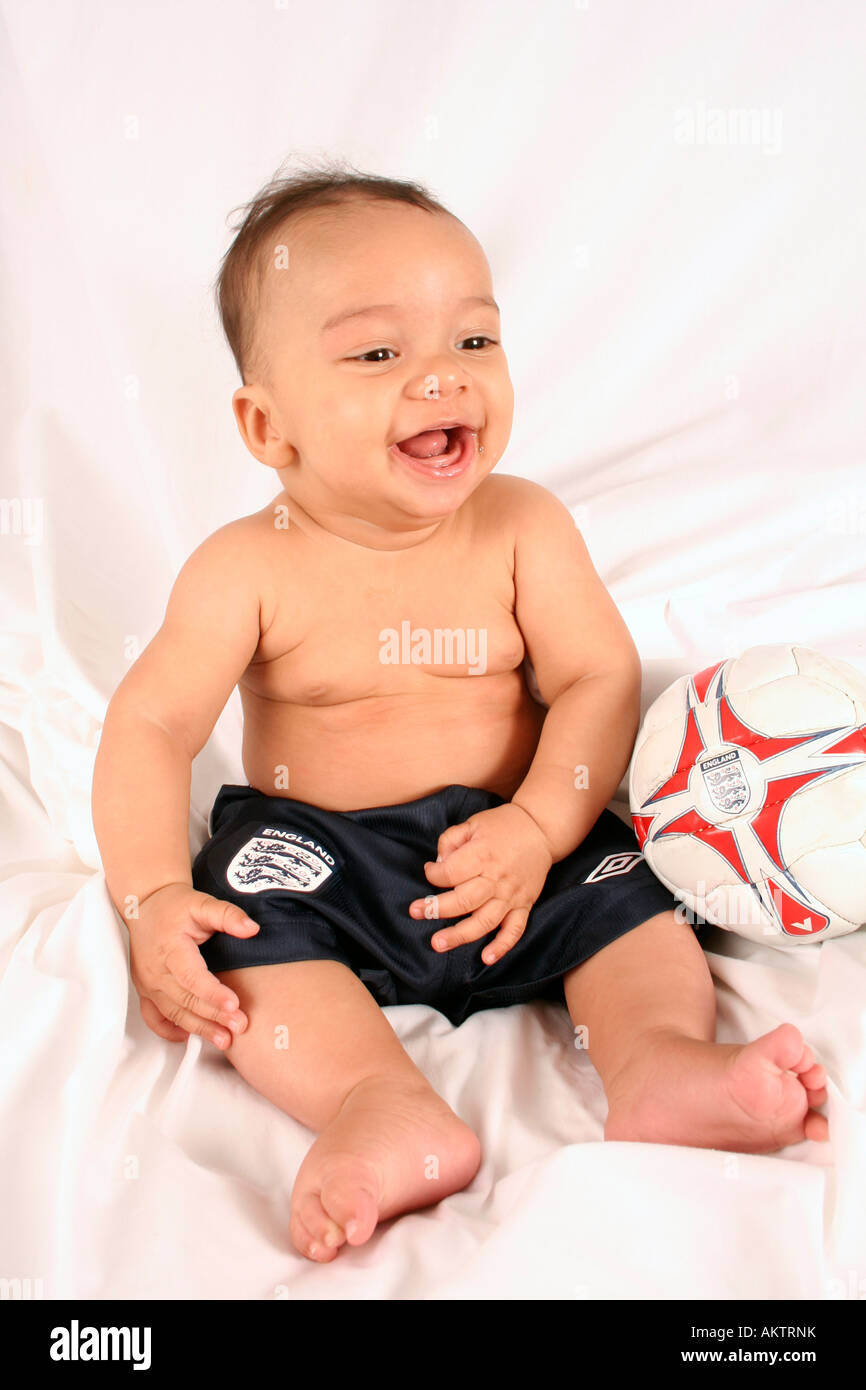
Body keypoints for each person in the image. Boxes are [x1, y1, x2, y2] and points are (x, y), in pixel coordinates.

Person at [91, 164, 828, 1264]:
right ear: (265, 424)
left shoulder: (524, 526)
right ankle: (376, 1104)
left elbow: (594, 680)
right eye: (379, 353)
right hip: (323, 855)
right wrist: (151, 895)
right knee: (243, 923)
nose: (441, 378)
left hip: (512, 844)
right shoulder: (245, 569)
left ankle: (658, 1065)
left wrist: (540, 825)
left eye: (472, 342)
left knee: (632, 893)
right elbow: (151, 726)